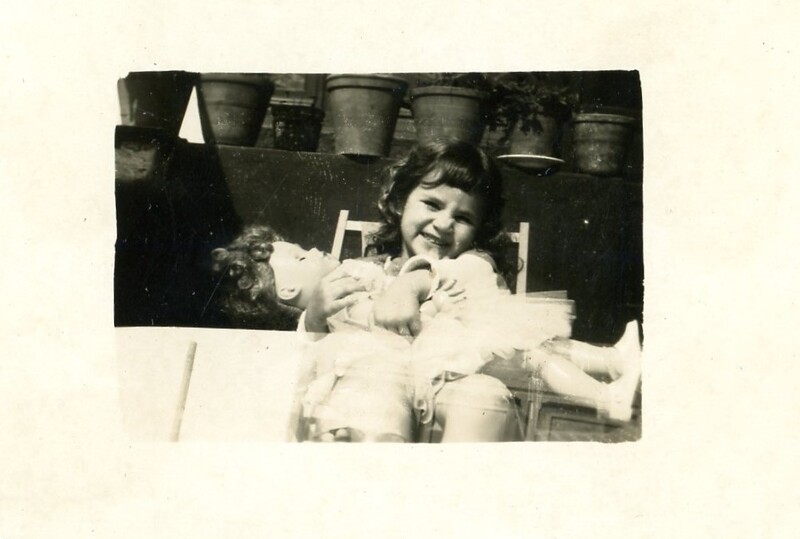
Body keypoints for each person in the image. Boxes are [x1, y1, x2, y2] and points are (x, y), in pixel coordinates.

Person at [212, 141, 642, 441]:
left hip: (453, 383)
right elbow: (313, 349)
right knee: (364, 402)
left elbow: (455, 280)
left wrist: (411, 283)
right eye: (432, 205)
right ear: (401, 201)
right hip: (381, 390)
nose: (444, 224)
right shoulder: (364, 270)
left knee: (513, 374)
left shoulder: (472, 263)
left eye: (464, 218)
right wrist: (315, 316)